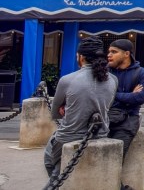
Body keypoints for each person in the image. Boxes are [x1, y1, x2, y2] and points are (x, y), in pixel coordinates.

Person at [44, 39, 117, 183]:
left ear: (81, 57)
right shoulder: (113, 80)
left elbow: (55, 113)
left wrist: (67, 108)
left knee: (50, 162)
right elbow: (107, 105)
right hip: (100, 133)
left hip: (68, 135)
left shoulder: (67, 80)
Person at [106, 38, 144, 163]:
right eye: (109, 52)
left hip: (127, 121)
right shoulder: (105, 72)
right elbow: (99, 95)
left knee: (115, 158)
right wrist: (129, 95)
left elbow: (141, 97)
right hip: (104, 118)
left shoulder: (142, 73)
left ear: (126, 54)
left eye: (114, 52)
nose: (109, 55)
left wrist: (114, 95)